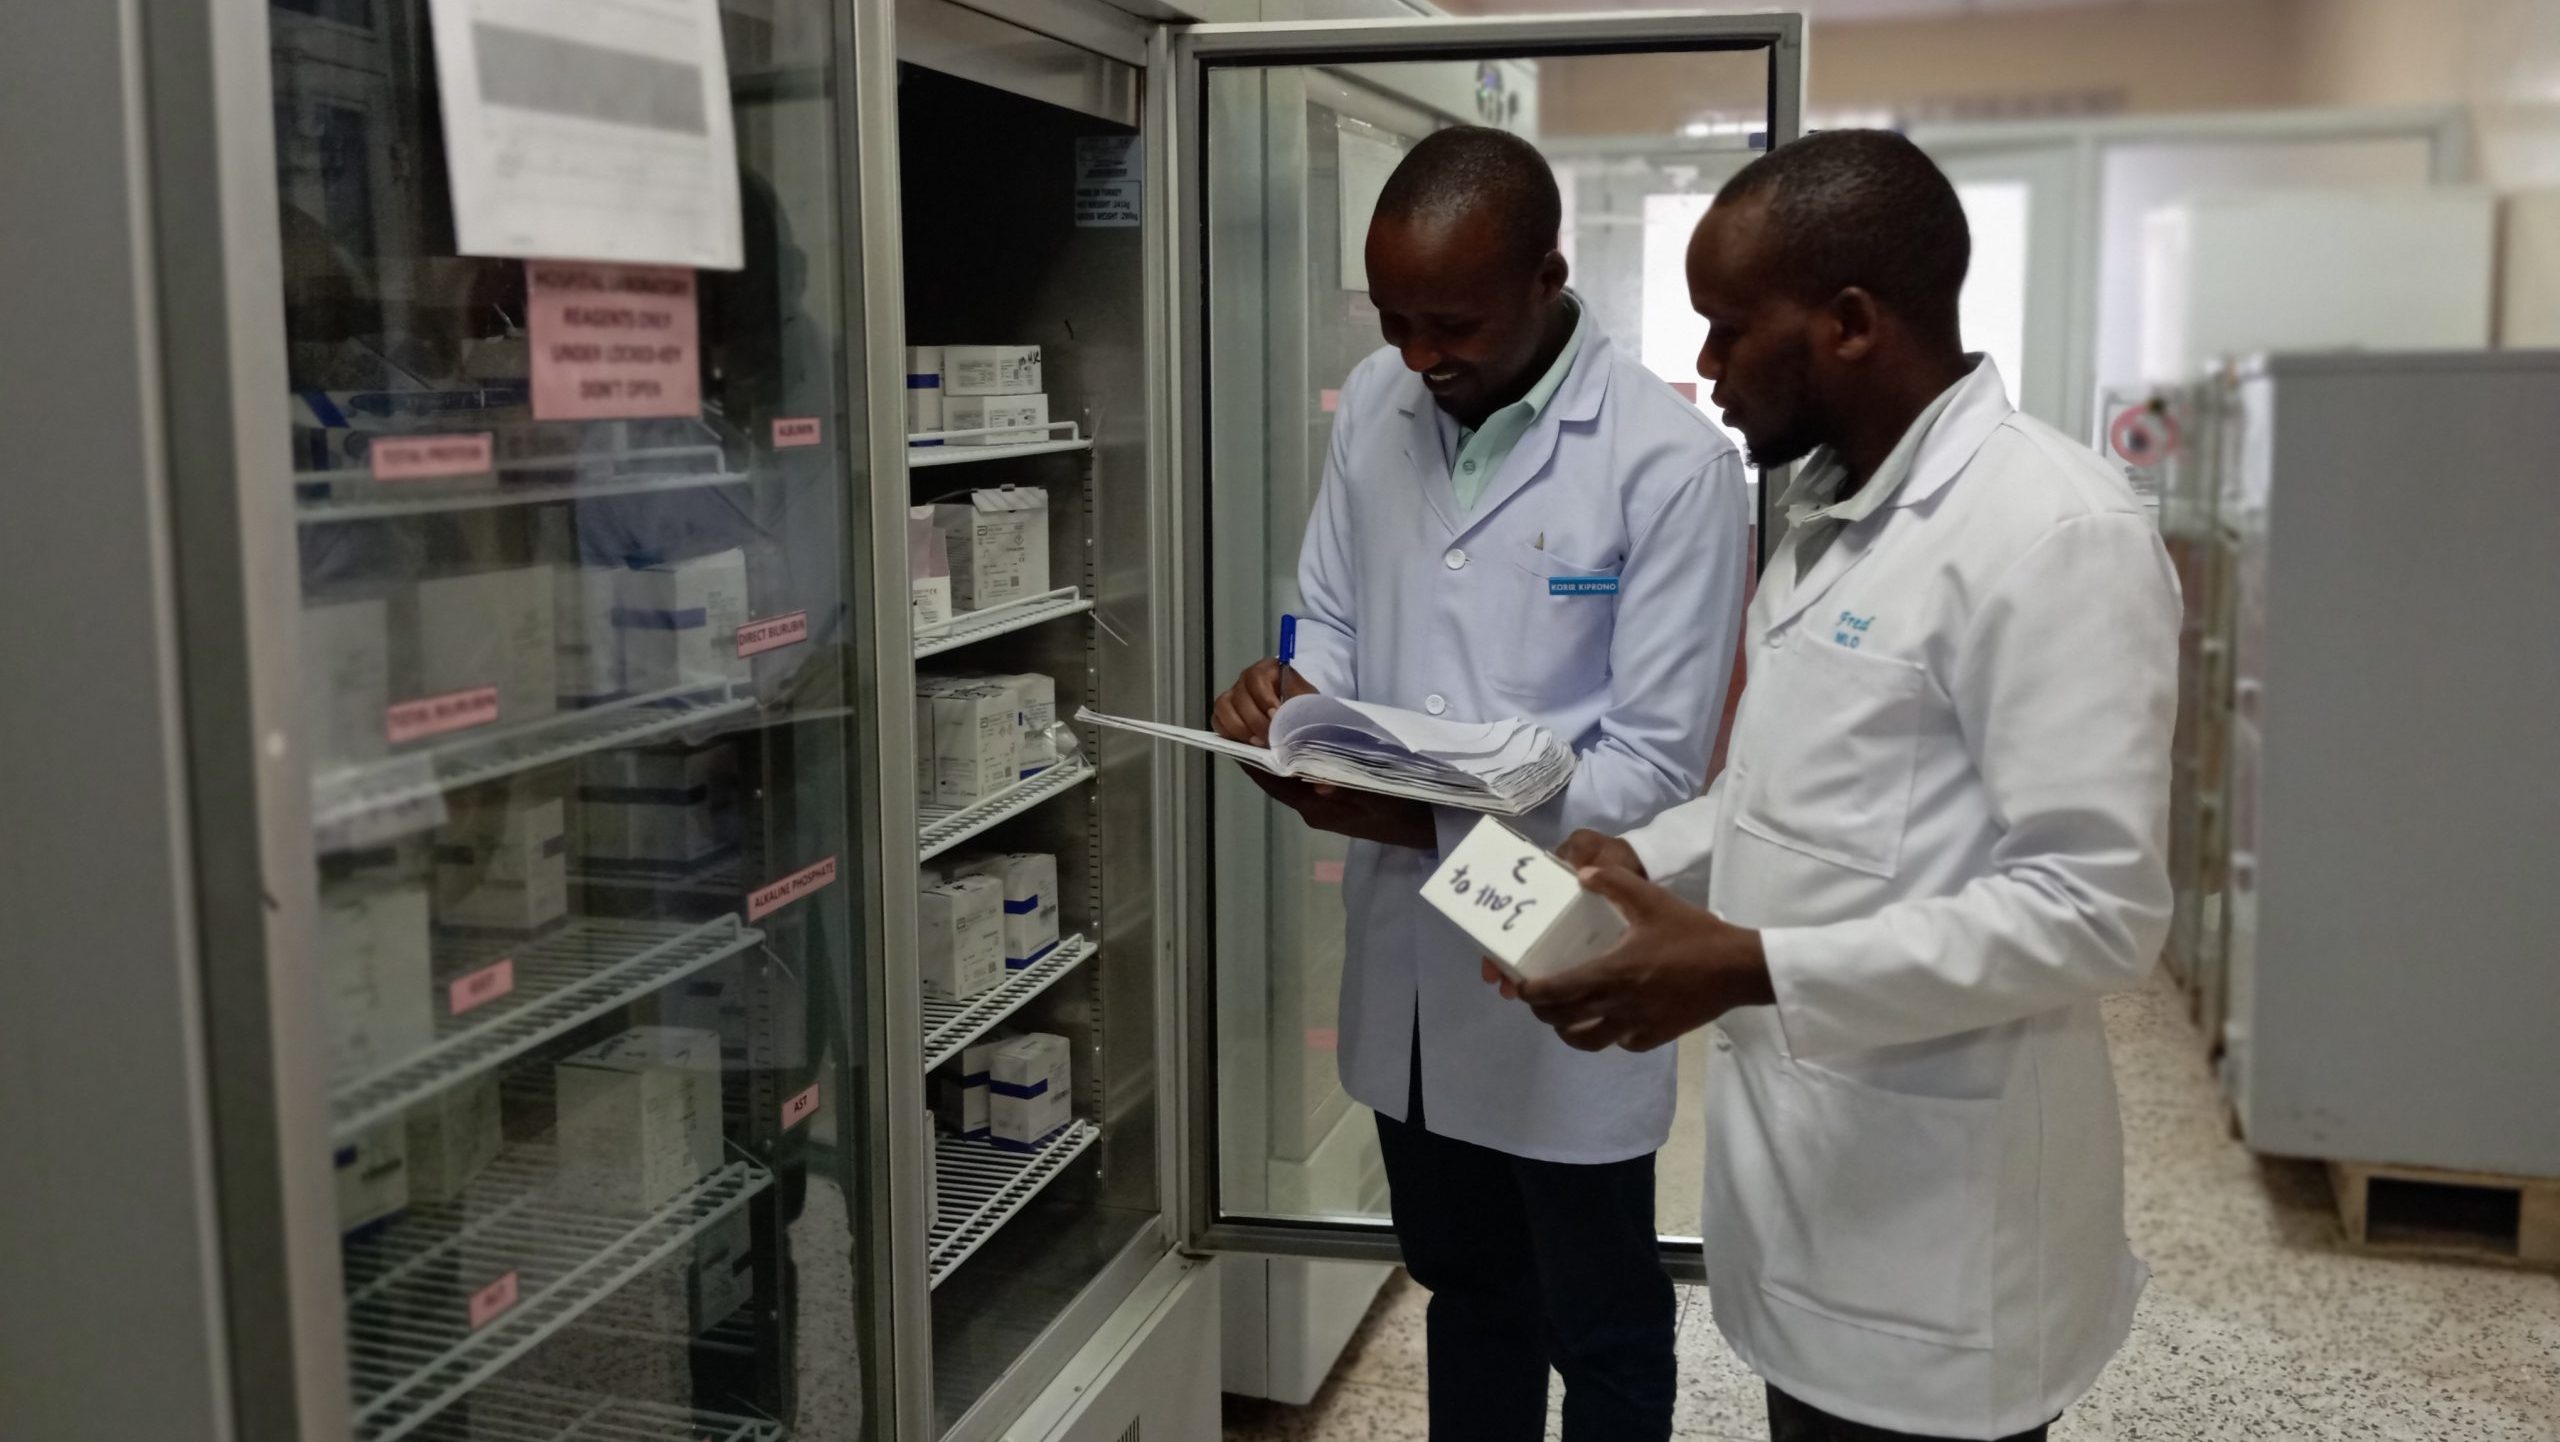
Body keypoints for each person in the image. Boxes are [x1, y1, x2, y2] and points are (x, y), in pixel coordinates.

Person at [1500, 130, 2180, 1442]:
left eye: (1728, 328)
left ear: (1852, 325)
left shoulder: (2051, 532)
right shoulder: (1824, 512)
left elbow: (2096, 909)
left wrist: (1749, 965)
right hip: (1812, 1186)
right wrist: (1644, 863)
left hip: (1947, 1233)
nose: (1706, 366)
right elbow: (1792, 794)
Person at [1211, 126, 1749, 1439]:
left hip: (1563, 919)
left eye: (1450, 323)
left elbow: (1657, 764)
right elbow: (1333, 610)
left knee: (1602, 1319)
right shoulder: (1376, 404)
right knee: (1465, 1281)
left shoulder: (1668, 462)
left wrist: (1420, 809)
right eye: (1393, 320)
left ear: (1549, 277)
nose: (1418, 356)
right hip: (1411, 936)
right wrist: (1292, 701)